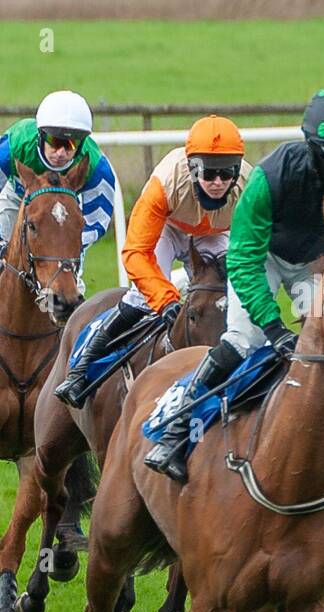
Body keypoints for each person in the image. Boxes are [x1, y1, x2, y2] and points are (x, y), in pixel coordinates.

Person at [144, 85, 324, 483]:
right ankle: (177, 425)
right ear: (313, 147)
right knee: (244, 340)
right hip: (262, 257)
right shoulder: (271, 177)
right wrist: (274, 327)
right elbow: (242, 259)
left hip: (316, 262)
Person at [54, 114, 250, 407]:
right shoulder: (165, 182)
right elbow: (136, 252)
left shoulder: (250, 185)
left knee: (238, 294)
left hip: (215, 234)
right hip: (167, 229)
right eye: (209, 174)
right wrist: (166, 300)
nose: (218, 182)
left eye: (226, 173)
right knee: (142, 298)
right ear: (192, 168)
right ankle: (83, 370)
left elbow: (256, 251)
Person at [0, 90, 118, 330]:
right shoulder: (18, 142)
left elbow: (98, 221)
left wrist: (62, 245)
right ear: (41, 136)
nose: (62, 152)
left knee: (72, 289)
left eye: (71, 144)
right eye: (55, 142)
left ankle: (79, 361)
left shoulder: (98, 167)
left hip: (64, 212)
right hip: (16, 199)